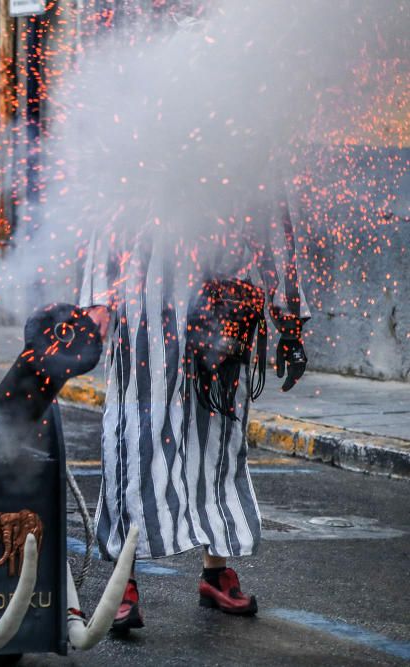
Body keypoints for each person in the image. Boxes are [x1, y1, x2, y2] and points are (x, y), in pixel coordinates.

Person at [78, 189, 309, 632]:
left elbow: (273, 224)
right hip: (144, 305)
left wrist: (290, 322)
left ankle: (215, 569)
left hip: (224, 307)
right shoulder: (140, 131)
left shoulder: (252, 140)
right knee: (136, 438)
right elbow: (108, 203)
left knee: (219, 441)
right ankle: (123, 581)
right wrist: (97, 305)